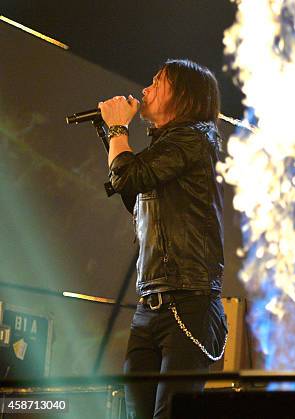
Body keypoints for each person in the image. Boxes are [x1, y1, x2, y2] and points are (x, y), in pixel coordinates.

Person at [98, 59, 227, 419]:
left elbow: (127, 177)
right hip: (149, 305)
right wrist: (111, 133)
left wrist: (118, 128)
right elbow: (132, 191)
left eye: (157, 82)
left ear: (183, 95)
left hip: (188, 301)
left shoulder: (192, 138)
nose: (145, 89)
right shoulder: (167, 148)